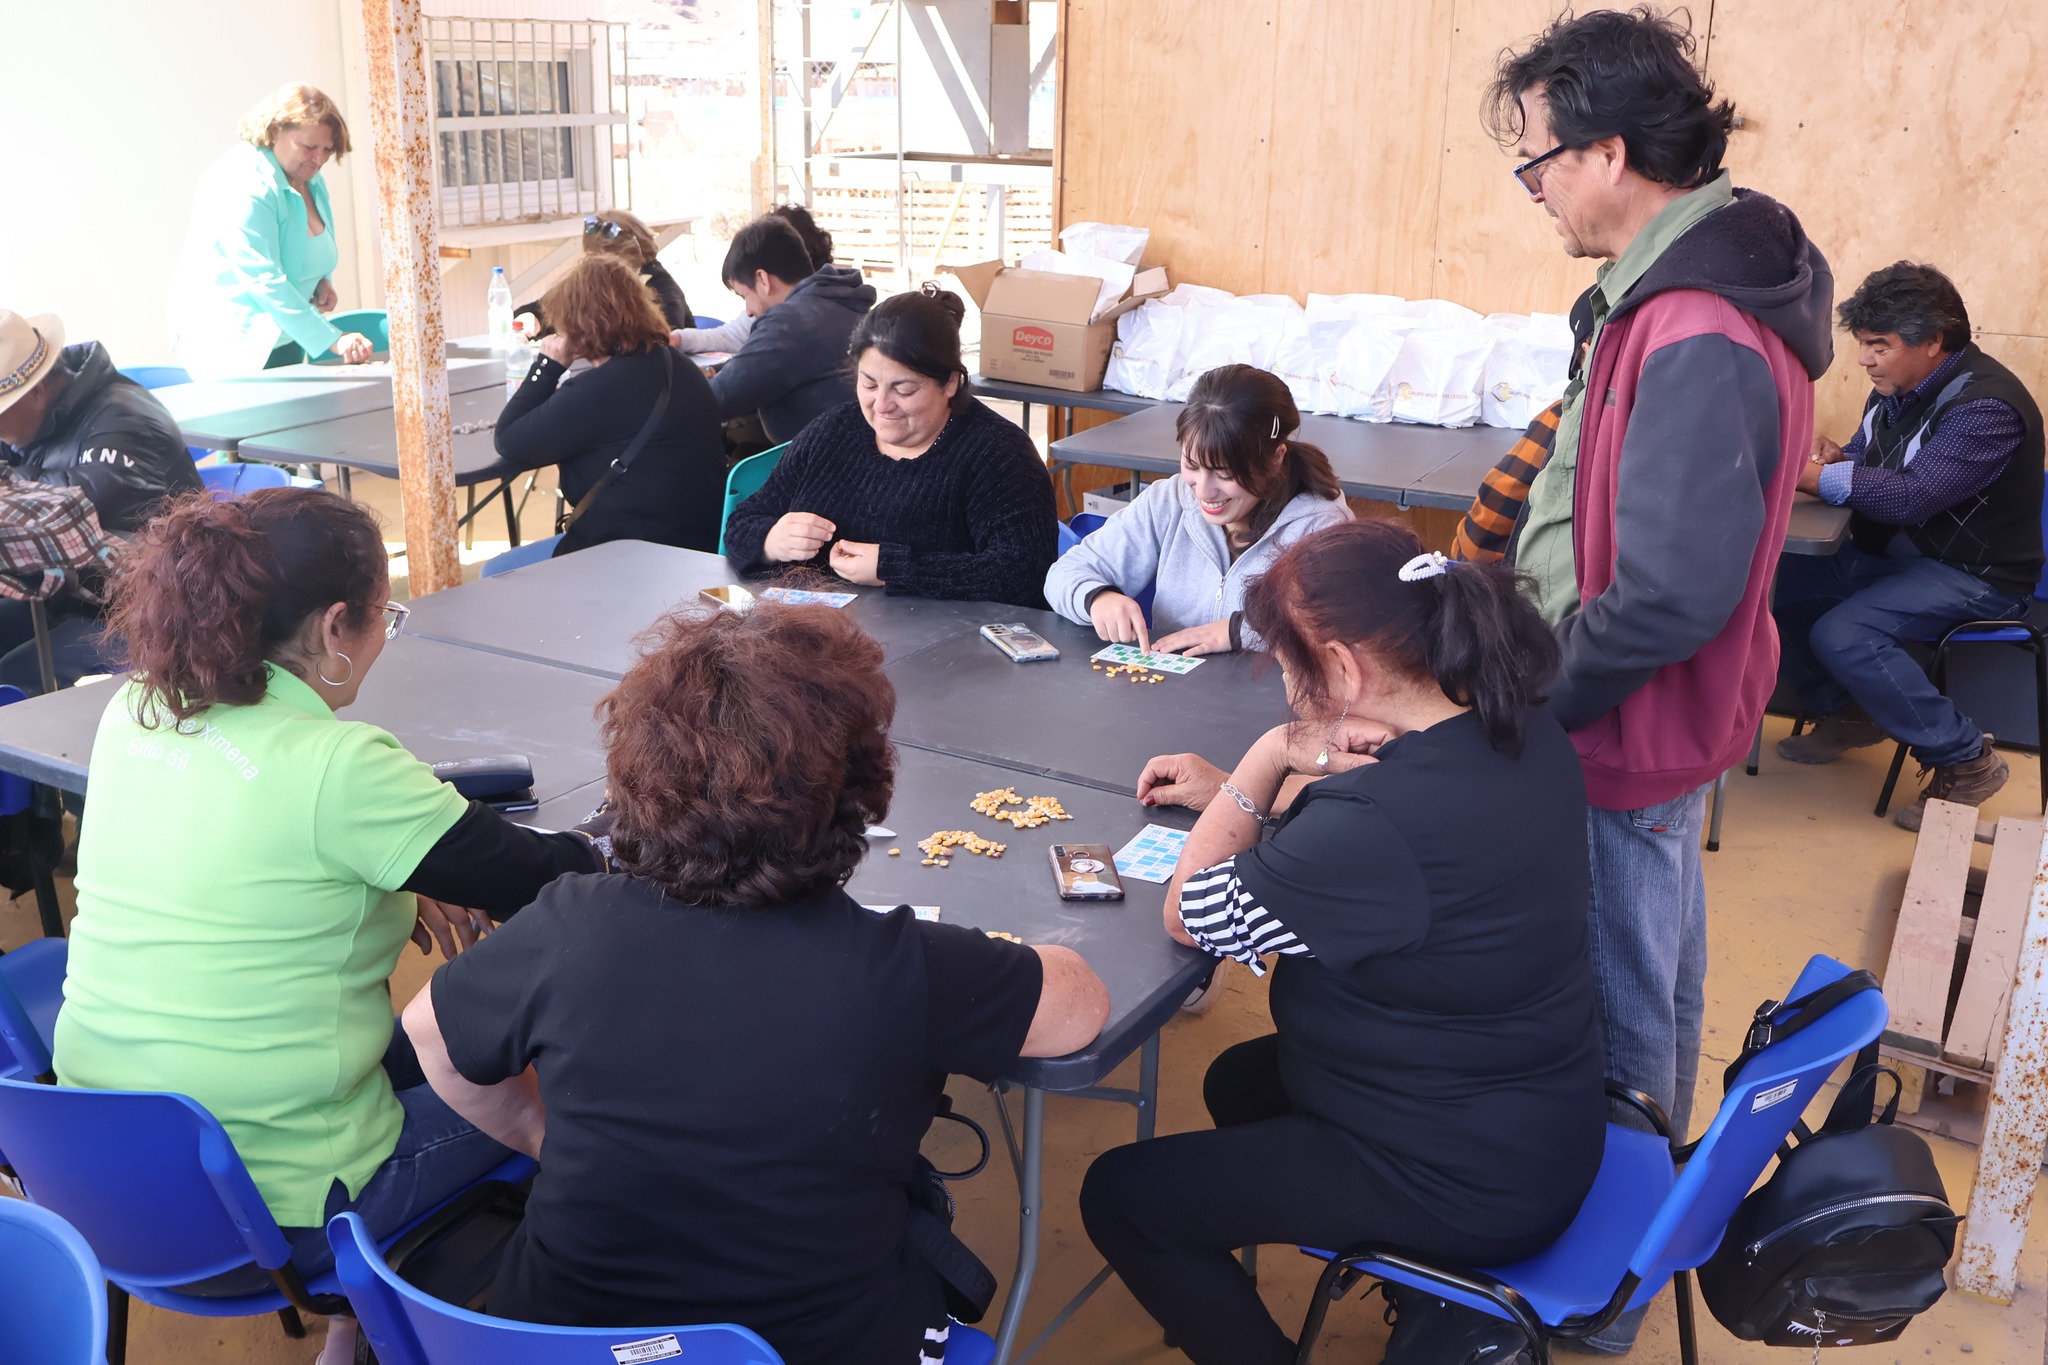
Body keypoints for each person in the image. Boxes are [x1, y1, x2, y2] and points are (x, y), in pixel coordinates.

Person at [403, 602, 1110, 1365]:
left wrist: (538, 1133)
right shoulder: (903, 962)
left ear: (638, 779)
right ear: (859, 794)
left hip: (559, 1343)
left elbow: (427, 1031)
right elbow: (1081, 1006)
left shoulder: (569, 922)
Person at [53, 489, 605, 1365]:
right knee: (575, 1092)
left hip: (102, 1179)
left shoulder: (140, 709)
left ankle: (350, 1331)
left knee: (384, 1045)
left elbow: (252, 852)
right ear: (337, 624)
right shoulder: (340, 768)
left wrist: (396, 864)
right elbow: (558, 880)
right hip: (280, 1211)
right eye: (389, 614)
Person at [1480, 11, 1832, 1348]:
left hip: (1622, 724)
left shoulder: (1691, 324)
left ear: (1610, 150)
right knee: (1660, 973)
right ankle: (1633, 1241)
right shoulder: (1694, 291)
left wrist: (1531, 699)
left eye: (1539, 163)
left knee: (1621, 1025)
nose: (1538, 191)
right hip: (1662, 722)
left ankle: (1596, 1308)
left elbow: (1673, 590)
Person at [1080, 520, 1604, 1365]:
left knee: (1122, 1196)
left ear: (1344, 668)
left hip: (1464, 1176)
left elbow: (1190, 911)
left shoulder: (1378, 822)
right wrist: (1259, 799)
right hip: (1532, 1112)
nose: (1284, 687)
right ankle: (1425, 1288)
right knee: (1241, 1079)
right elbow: (1401, 871)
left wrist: (1266, 758)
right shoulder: (1516, 723)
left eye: (1287, 666)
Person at [1776, 263, 2043, 829]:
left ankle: (1967, 759)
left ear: (1932, 341)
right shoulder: (1896, 390)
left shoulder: (1986, 408)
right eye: (1863, 344)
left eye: (1879, 345)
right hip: (1901, 558)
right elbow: (1875, 463)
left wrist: (1812, 478)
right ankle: (1848, 710)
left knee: (1843, 632)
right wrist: (1837, 459)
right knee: (1781, 584)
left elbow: (1914, 496)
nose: (1864, 360)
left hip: (1977, 574)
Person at [721, 285, 1059, 606]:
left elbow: (1024, 574)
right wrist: (770, 539)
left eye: (904, 390)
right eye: (869, 384)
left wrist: (894, 568)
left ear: (951, 383)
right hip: (820, 636)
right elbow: (741, 523)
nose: (881, 405)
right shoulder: (833, 431)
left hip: (948, 649)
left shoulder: (999, 455)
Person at [1043, 364, 1349, 655]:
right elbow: (1064, 573)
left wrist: (1236, 631)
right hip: (1170, 696)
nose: (1203, 491)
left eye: (1225, 474)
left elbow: (1334, 625)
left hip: (1277, 703)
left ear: (1275, 458)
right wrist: (1097, 597)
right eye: (1191, 465)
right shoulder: (1168, 500)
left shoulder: (1320, 526)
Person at [0, 309, 203, 691]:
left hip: (153, 611)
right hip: (74, 593)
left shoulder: (124, 418)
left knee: (11, 676)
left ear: (37, 392)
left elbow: (72, 510)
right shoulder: (31, 423)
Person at [494, 256, 726, 557]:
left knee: (495, 571)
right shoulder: (677, 364)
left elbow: (509, 440)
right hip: (699, 547)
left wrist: (547, 366)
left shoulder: (597, 390)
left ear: (579, 326)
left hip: (628, 560)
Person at [170, 84, 375, 378]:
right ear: (276, 130)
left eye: (327, 150)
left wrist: (320, 281)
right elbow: (262, 277)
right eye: (309, 147)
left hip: (286, 333)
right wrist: (332, 338)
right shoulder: (244, 184)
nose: (318, 159)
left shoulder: (308, 177)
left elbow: (304, 246)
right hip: (234, 346)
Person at [707, 214, 876, 444]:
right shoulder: (840, 300)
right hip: (857, 452)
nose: (747, 310)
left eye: (744, 295)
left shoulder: (788, 323)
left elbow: (714, 401)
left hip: (819, 465)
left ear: (763, 279)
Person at [672, 203, 835, 355]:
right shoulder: (771, 306)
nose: (749, 311)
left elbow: (736, 379)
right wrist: (679, 338)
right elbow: (733, 335)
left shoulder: (795, 327)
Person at [518, 209, 695, 335]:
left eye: (604, 262)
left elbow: (668, 335)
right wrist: (532, 317)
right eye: (591, 258)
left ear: (631, 255)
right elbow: (546, 308)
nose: (595, 268)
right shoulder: (590, 280)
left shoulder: (660, 286)